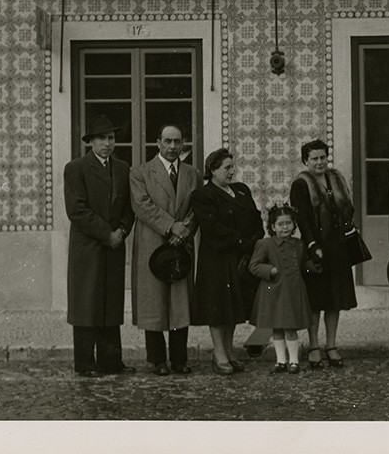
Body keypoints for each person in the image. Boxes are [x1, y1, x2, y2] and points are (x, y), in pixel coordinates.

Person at [63, 115, 135, 377]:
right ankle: (85, 364)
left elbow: (129, 208)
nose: (108, 143)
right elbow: (77, 210)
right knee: (86, 305)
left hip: (115, 246)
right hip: (88, 247)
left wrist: (122, 231)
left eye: (111, 138)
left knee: (111, 304)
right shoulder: (76, 168)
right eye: (102, 138)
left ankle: (111, 362)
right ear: (90, 142)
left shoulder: (123, 168)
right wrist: (107, 234)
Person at [129, 124, 199, 375]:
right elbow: (141, 205)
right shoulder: (140, 172)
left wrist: (185, 229)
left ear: (183, 145)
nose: (172, 147)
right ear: (157, 142)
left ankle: (180, 359)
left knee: (180, 301)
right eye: (167, 141)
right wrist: (171, 226)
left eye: (177, 142)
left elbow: (197, 206)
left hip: (182, 242)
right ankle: (157, 360)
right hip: (153, 240)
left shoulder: (192, 173)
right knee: (154, 300)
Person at [190, 148, 265, 375]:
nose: (232, 172)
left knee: (233, 307)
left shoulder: (241, 190)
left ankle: (229, 351)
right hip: (217, 259)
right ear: (213, 170)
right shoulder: (203, 195)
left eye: (233, 167)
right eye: (227, 168)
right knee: (218, 307)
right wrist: (242, 241)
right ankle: (219, 353)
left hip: (240, 258)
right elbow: (213, 228)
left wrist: (254, 240)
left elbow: (256, 218)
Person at [290, 139, 357, 369]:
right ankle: (314, 346)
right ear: (305, 161)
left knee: (334, 300)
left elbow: (348, 207)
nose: (320, 162)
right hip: (316, 247)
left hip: (337, 246)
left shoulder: (336, 178)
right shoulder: (300, 184)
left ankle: (331, 345)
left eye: (322, 157)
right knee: (316, 300)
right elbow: (303, 219)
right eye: (314, 158)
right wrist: (311, 245)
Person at [250, 204, 317, 374]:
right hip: (274, 292)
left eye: (288, 223)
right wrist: (270, 270)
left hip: (293, 291)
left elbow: (303, 265)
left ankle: (293, 361)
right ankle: (280, 361)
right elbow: (254, 265)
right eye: (280, 224)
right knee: (277, 328)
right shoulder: (265, 244)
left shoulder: (299, 244)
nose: (285, 227)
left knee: (290, 328)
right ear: (272, 227)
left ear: (294, 225)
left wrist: (314, 265)